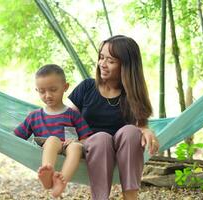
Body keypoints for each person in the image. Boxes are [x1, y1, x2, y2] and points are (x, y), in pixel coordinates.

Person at [68, 35, 160, 200]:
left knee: (132, 131)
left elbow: (141, 126)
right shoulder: (87, 87)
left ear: (126, 65)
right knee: (102, 138)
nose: (102, 64)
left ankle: (131, 196)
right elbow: (68, 121)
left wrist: (146, 131)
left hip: (122, 151)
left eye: (110, 61)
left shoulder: (132, 96)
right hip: (89, 147)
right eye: (101, 58)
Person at [14, 64, 92, 197]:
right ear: (37, 90)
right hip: (48, 144)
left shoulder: (72, 114)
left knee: (77, 147)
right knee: (53, 140)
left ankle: (62, 180)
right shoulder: (34, 116)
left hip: (68, 146)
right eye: (42, 91)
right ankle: (47, 173)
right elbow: (15, 137)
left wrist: (78, 141)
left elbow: (86, 138)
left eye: (53, 89)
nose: (48, 95)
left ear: (65, 87)